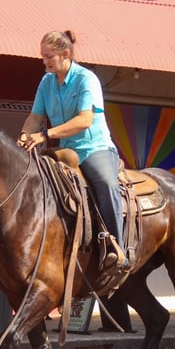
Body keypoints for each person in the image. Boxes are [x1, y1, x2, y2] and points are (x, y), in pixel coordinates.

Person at [17, 30, 128, 275]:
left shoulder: (86, 79)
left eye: (49, 56)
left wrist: (45, 136)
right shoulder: (46, 82)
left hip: (93, 149)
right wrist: (25, 136)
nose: (44, 61)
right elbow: (35, 117)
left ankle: (116, 249)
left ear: (65, 54)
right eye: (42, 56)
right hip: (64, 151)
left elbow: (85, 120)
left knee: (105, 182)